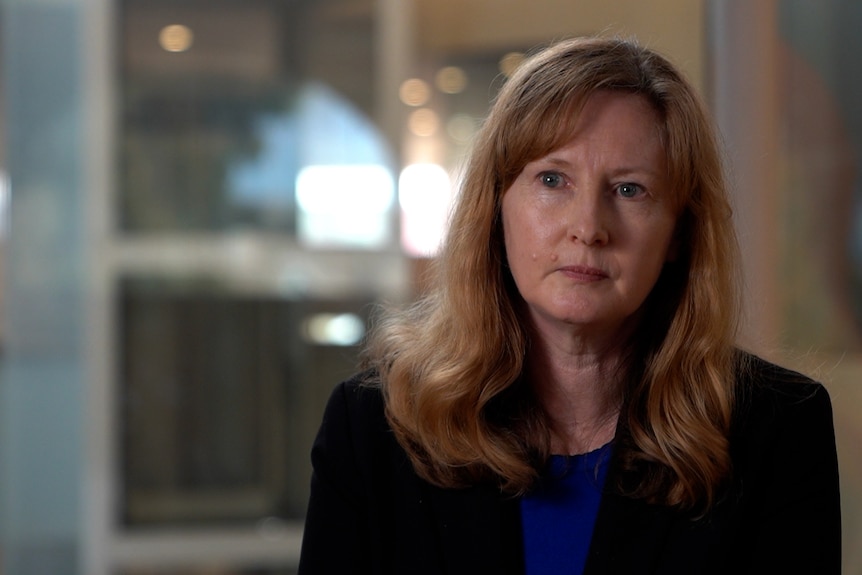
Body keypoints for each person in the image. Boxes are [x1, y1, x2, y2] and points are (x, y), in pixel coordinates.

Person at [297, 37, 841, 575]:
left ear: (679, 232)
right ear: (495, 208)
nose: (588, 229)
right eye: (552, 180)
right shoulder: (374, 426)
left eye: (630, 190)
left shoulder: (778, 429)